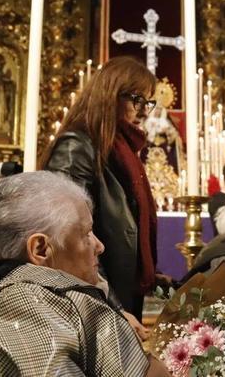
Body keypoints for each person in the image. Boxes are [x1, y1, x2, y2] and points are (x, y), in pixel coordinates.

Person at [0, 171, 225, 377]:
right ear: (40, 250)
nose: (99, 246)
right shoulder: (29, 309)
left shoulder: (51, 296)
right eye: (84, 234)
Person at [42, 55, 160, 319]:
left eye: (148, 102)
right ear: (110, 94)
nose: (143, 110)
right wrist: (113, 305)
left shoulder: (122, 151)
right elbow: (69, 236)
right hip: (94, 301)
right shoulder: (77, 146)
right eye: (136, 99)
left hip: (119, 294)